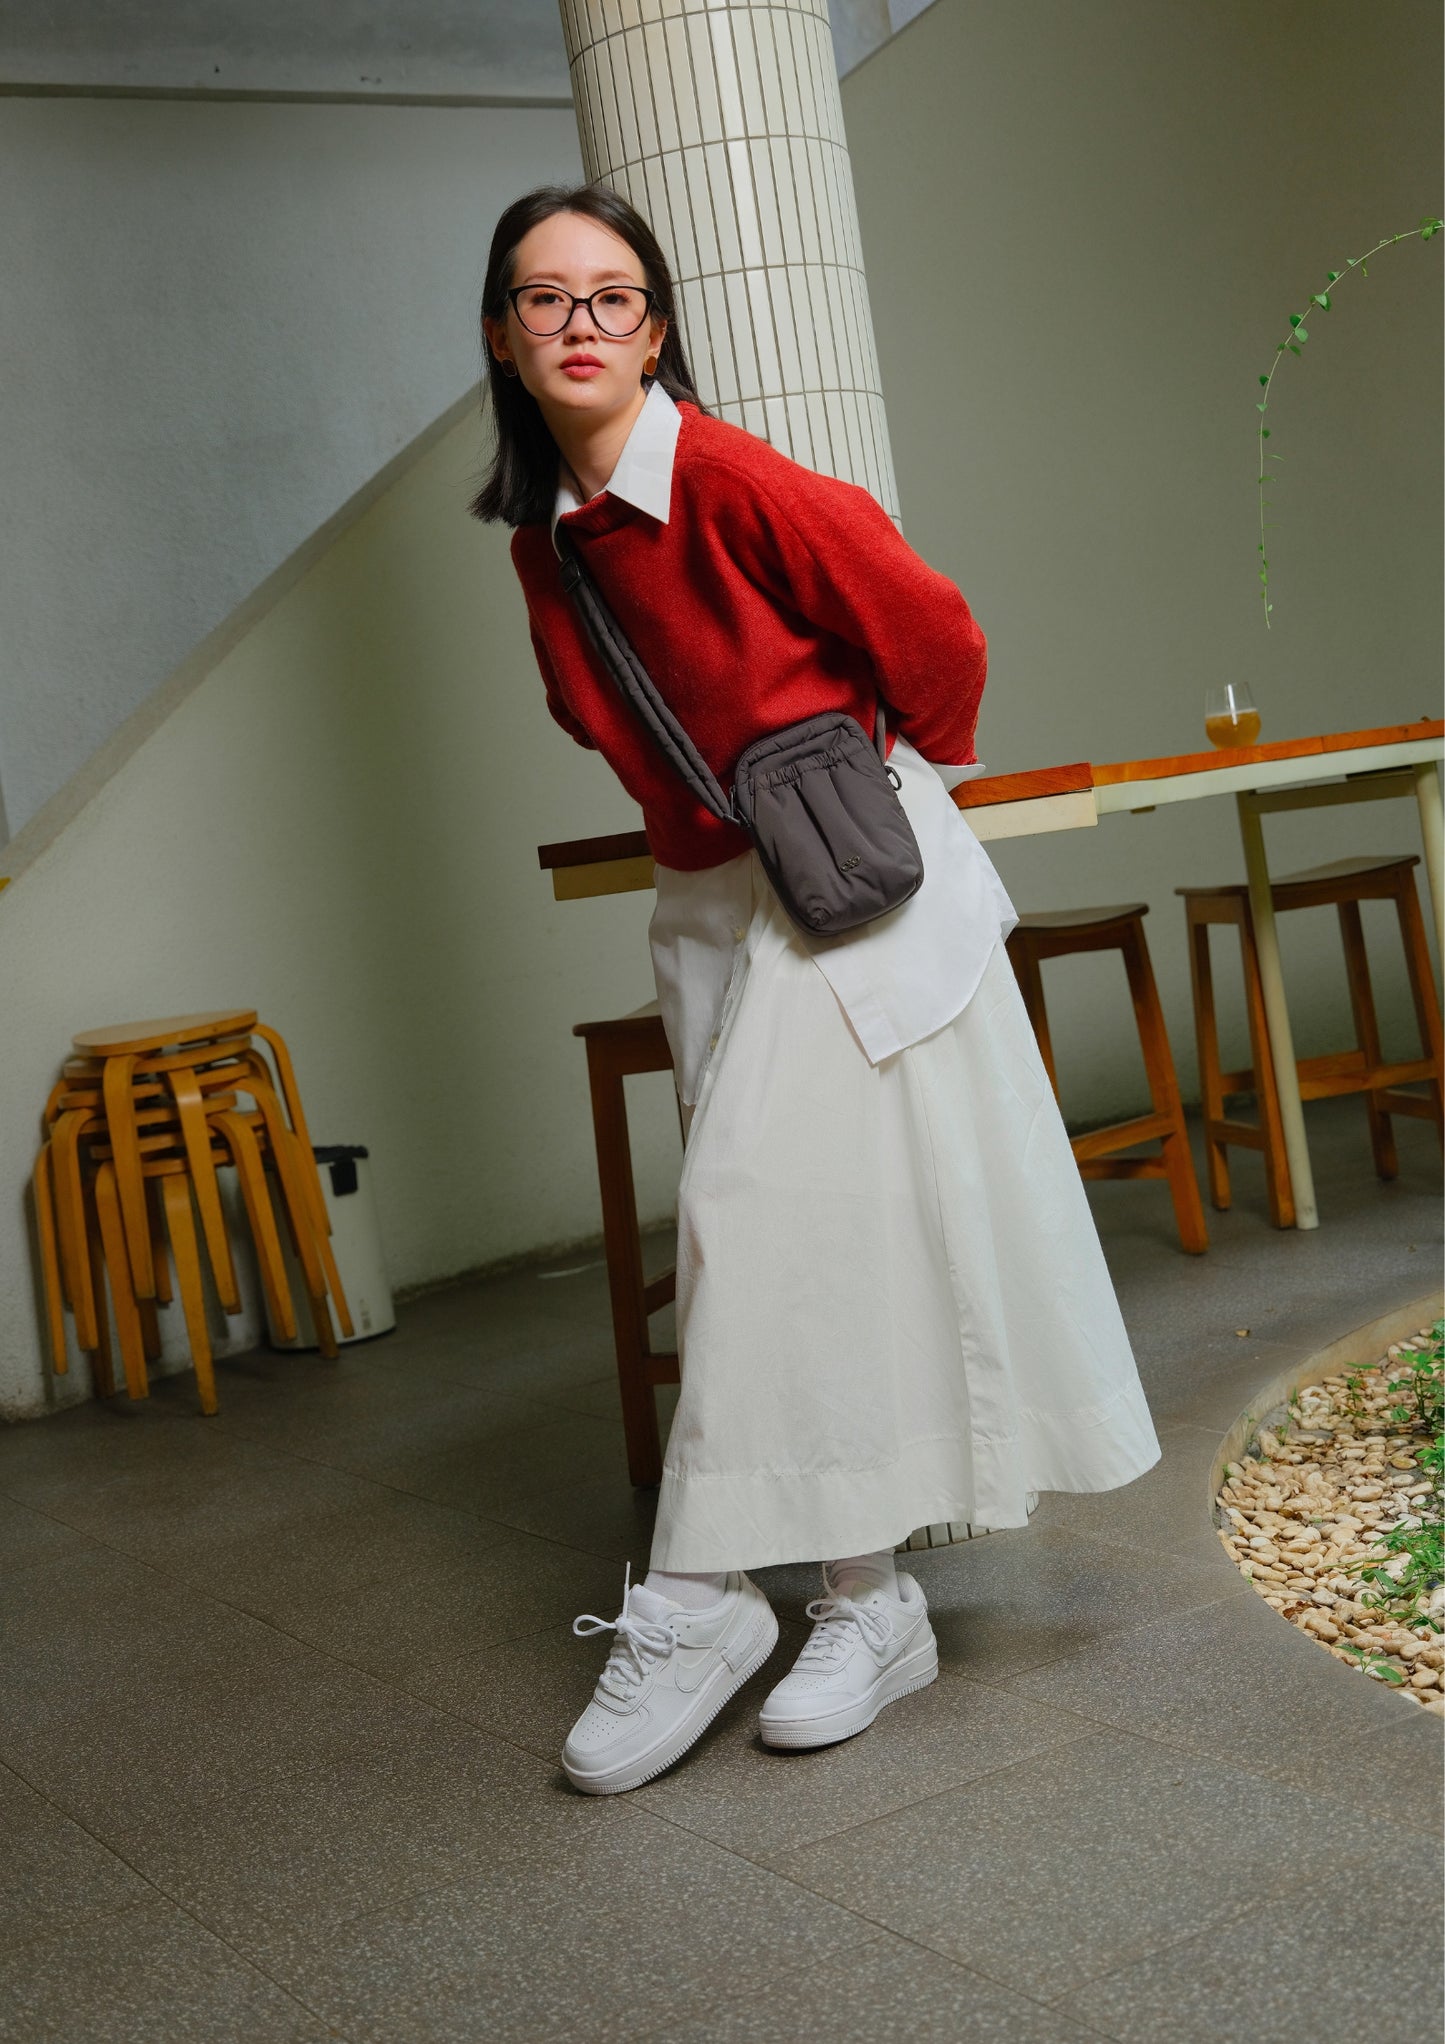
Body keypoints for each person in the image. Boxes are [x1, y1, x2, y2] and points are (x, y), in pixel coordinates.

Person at [475, 181, 1161, 1796]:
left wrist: (864, 784)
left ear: (655, 328)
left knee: (740, 1213)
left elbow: (932, 632)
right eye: (545, 298)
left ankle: (699, 1596)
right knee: (809, 1238)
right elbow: (606, 724)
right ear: (501, 335)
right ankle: (867, 1599)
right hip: (711, 903)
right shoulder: (545, 546)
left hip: (839, 886)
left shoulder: (725, 477)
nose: (581, 324)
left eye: (612, 296)